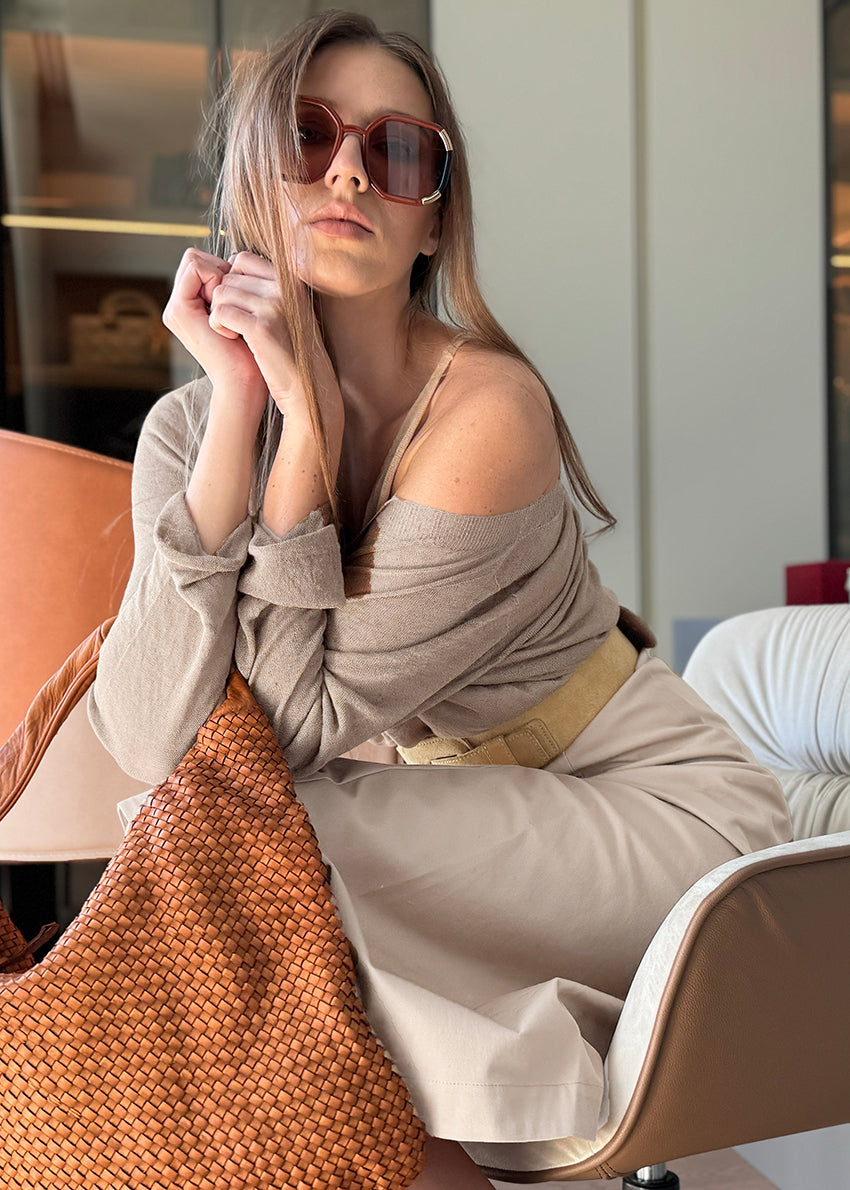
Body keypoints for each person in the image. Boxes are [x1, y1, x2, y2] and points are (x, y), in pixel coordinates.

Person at [89, 11, 794, 1188]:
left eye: (397, 150)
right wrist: (242, 412)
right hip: (471, 816)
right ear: (251, 178)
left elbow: (281, 739)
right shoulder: (191, 425)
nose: (349, 172)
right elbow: (148, 733)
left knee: (249, 838)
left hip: (663, 814)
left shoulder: (487, 414)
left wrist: (304, 436)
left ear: (433, 215)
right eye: (308, 136)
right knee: (247, 878)